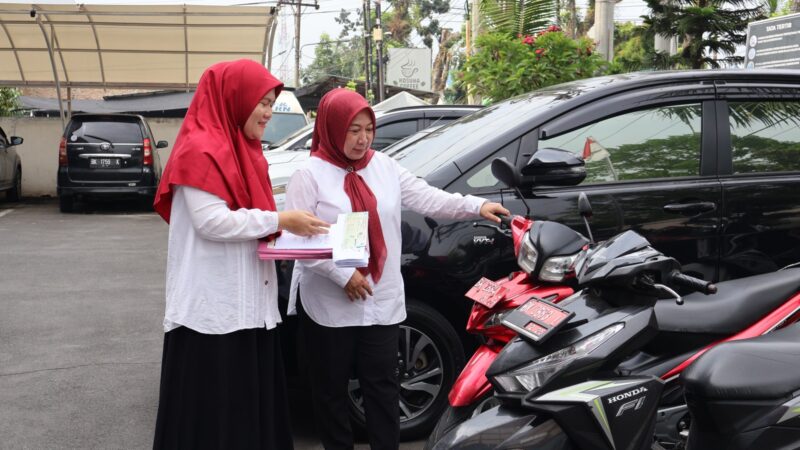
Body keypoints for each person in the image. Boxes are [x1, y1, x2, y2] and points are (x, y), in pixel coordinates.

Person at [285, 88, 510, 450]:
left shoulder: (383, 166)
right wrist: (343, 275)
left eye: (368, 129)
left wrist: (476, 205)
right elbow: (298, 241)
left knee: (383, 389)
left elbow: (427, 197)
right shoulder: (309, 175)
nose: (362, 139)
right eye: (352, 130)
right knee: (330, 394)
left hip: (380, 298)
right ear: (330, 128)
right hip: (330, 304)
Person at [151, 59, 329, 450]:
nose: (268, 112)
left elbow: (252, 216)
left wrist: (286, 225)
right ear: (234, 99)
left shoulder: (245, 152)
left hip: (249, 309)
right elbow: (212, 221)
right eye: (261, 102)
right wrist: (280, 219)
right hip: (212, 316)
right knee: (216, 422)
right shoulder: (200, 150)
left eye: (271, 102)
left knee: (248, 418)